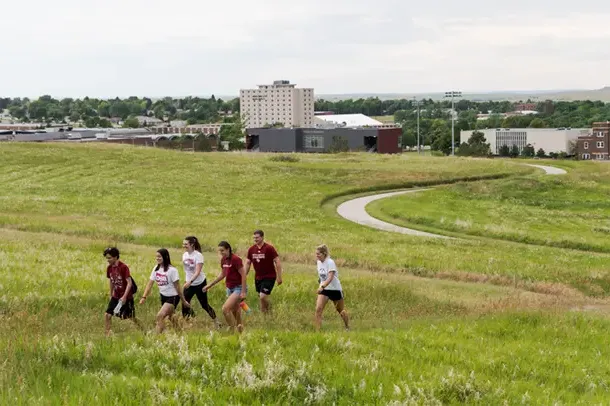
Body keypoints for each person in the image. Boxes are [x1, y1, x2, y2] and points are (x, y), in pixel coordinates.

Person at [139, 248, 190, 333]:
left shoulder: (172, 270)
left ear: (165, 257)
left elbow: (178, 287)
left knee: (160, 316)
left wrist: (183, 301)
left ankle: (158, 337)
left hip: (173, 297)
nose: (157, 258)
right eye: (156, 257)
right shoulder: (156, 268)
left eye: (159, 256)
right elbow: (150, 283)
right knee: (171, 317)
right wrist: (144, 296)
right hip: (163, 296)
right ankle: (180, 333)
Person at [203, 241, 247, 333]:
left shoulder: (236, 259)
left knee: (225, 309)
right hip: (229, 288)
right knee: (236, 311)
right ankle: (241, 333)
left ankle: (231, 329)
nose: (221, 253)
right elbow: (222, 274)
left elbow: (243, 275)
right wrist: (210, 285)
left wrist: (243, 291)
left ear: (228, 249)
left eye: (222, 250)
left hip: (238, 287)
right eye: (220, 251)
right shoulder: (224, 260)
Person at [181, 236, 220, 327]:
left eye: (186, 244)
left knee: (204, 304)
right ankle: (187, 321)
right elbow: (187, 270)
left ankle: (216, 322)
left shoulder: (198, 256)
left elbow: (197, 272)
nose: (184, 246)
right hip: (189, 283)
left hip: (199, 283)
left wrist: (190, 282)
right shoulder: (184, 255)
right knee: (185, 303)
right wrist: (186, 281)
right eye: (183, 244)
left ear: (192, 244)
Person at [103, 247, 143, 336]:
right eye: (107, 258)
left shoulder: (123, 267)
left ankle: (142, 329)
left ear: (115, 257)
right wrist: (111, 294)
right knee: (107, 315)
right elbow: (111, 281)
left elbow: (129, 283)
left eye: (109, 258)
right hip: (116, 296)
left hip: (126, 297)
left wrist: (124, 297)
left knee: (129, 317)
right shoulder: (109, 268)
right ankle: (107, 334)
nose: (108, 260)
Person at [244, 229, 283, 314]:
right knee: (261, 297)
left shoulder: (269, 248)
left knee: (262, 296)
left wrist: (279, 277)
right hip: (258, 277)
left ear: (262, 237)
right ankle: (264, 316)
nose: (255, 239)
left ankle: (270, 309)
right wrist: (243, 275)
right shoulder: (251, 249)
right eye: (254, 238)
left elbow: (277, 262)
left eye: (257, 237)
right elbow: (247, 263)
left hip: (269, 276)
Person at [314, 244, 349, 331]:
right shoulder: (318, 262)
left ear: (324, 254)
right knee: (318, 309)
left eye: (318, 254)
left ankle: (347, 327)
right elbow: (322, 276)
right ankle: (318, 331)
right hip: (325, 290)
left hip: (335, 289)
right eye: (316, 254)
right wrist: (320, 283)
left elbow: (330, 277)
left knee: (341, 311)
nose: (316, 255)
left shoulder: (330, 262)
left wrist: (322, 286)